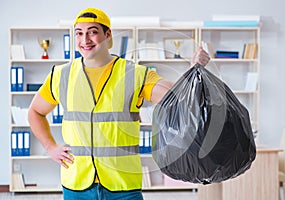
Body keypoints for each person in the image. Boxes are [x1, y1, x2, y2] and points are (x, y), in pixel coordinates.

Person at [28, 7, 210, 200]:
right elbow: (35, 112)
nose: (85, 40)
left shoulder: (135, 74)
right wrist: (50, 147)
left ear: (108, 35)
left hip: (122, 186)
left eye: (93, 32)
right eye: (79, 33)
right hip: (76, 185)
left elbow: (176, 96)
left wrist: (194, 70)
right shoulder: (61, 75)